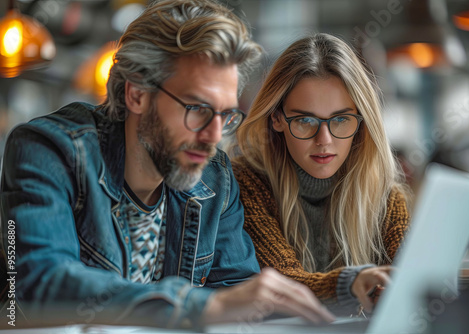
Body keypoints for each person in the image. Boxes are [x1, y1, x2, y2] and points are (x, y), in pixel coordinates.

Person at [0, 1, 334, 329]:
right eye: (198, 109)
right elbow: (39, 284)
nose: (214, 136)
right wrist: (201, 306)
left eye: (225, 114)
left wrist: (342, 287)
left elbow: (235, 293)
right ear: (137, 95)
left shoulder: (215, 176)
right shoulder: (49, 150)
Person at [230, 33, 412, 314]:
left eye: (341, 119)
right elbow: (285, 285)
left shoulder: (385, 197)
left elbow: (409, 279)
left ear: (362, 121)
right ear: (277, 118)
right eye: (305, 120)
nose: (324, 139)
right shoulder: (246, 185)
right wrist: (353, 284)